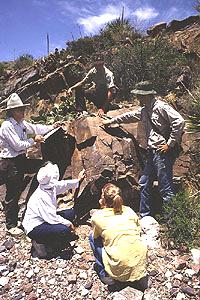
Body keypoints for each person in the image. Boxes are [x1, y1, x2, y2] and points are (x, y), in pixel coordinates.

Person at [102, 81, 185, 218]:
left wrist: (169, 144)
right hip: (152, 153)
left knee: (165, 187)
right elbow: (128, 116)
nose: (138, 99)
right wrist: (111, 121)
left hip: (162, 153)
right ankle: (145, 215)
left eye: (140, 96)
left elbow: (179, 122)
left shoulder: (160, 107)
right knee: (144, 183)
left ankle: (173, 221)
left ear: (147, 95)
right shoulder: (145, 109)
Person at [0, 93, 59, 236]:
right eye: (20, 109)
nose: (23, 112)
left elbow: (36, 128)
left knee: (44, 165)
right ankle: (11, 225)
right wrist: (34, 141)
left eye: (22, 109)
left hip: (19, 160)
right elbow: (17, 145)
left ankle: (34, 207)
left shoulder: (21, 123)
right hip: (9, 163)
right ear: (12, 111)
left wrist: (52, 126)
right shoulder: (7, 126)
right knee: (13, 193)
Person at [22, 162, 85, 259]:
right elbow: (52, 218)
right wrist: (69, 224)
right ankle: (41, 242)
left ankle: (50, 237)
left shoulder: (48, 187)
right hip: (34, 227)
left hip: (45, 219)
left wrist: (78, 180)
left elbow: (64, 185)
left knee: (71, 213)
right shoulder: (42, 197)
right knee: (64, 230)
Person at [89, 183, 147, 286]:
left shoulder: (98, 216)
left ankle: (104, 275)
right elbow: (138, 230)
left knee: (92, 238)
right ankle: (136, 272)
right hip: (140, 263)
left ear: (103, 199)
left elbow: (96, 236)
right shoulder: (129, 211)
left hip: (119, 266)